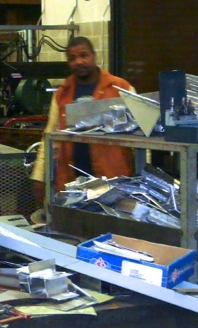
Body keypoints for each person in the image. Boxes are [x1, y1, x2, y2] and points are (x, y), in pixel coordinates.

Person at [30, 36, 135, 203]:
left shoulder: (121, 89)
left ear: (94, 56)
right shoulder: (62, 94)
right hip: (72, 185)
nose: (78, 62)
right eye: (72, 58)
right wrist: (39, 177)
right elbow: (49, 138)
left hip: (114, 183)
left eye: (83, 55)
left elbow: (142, 138)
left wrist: (144, 178)